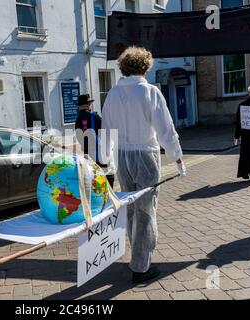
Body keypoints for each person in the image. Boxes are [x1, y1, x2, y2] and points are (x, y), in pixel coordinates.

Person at [102, 47, 186, 284]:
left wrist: (105, 160)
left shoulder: (112, 94)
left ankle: (137, 255)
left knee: (129, 207)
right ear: (145, 67)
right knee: (146, 210)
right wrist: (177, 158)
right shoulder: (150, 92)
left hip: (122, 156)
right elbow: (165, 129)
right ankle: (141, 266)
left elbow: (106, 130)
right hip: (145, 155)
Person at [75, 94, 115, 187]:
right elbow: (107, 133)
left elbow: (79, 138)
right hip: (101, 156)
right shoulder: (94, 117)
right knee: (108, 183)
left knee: (95, 185)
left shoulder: (77, 120)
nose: (90, 106)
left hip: (88, 157)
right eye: (89, 104)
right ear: (87, 105)